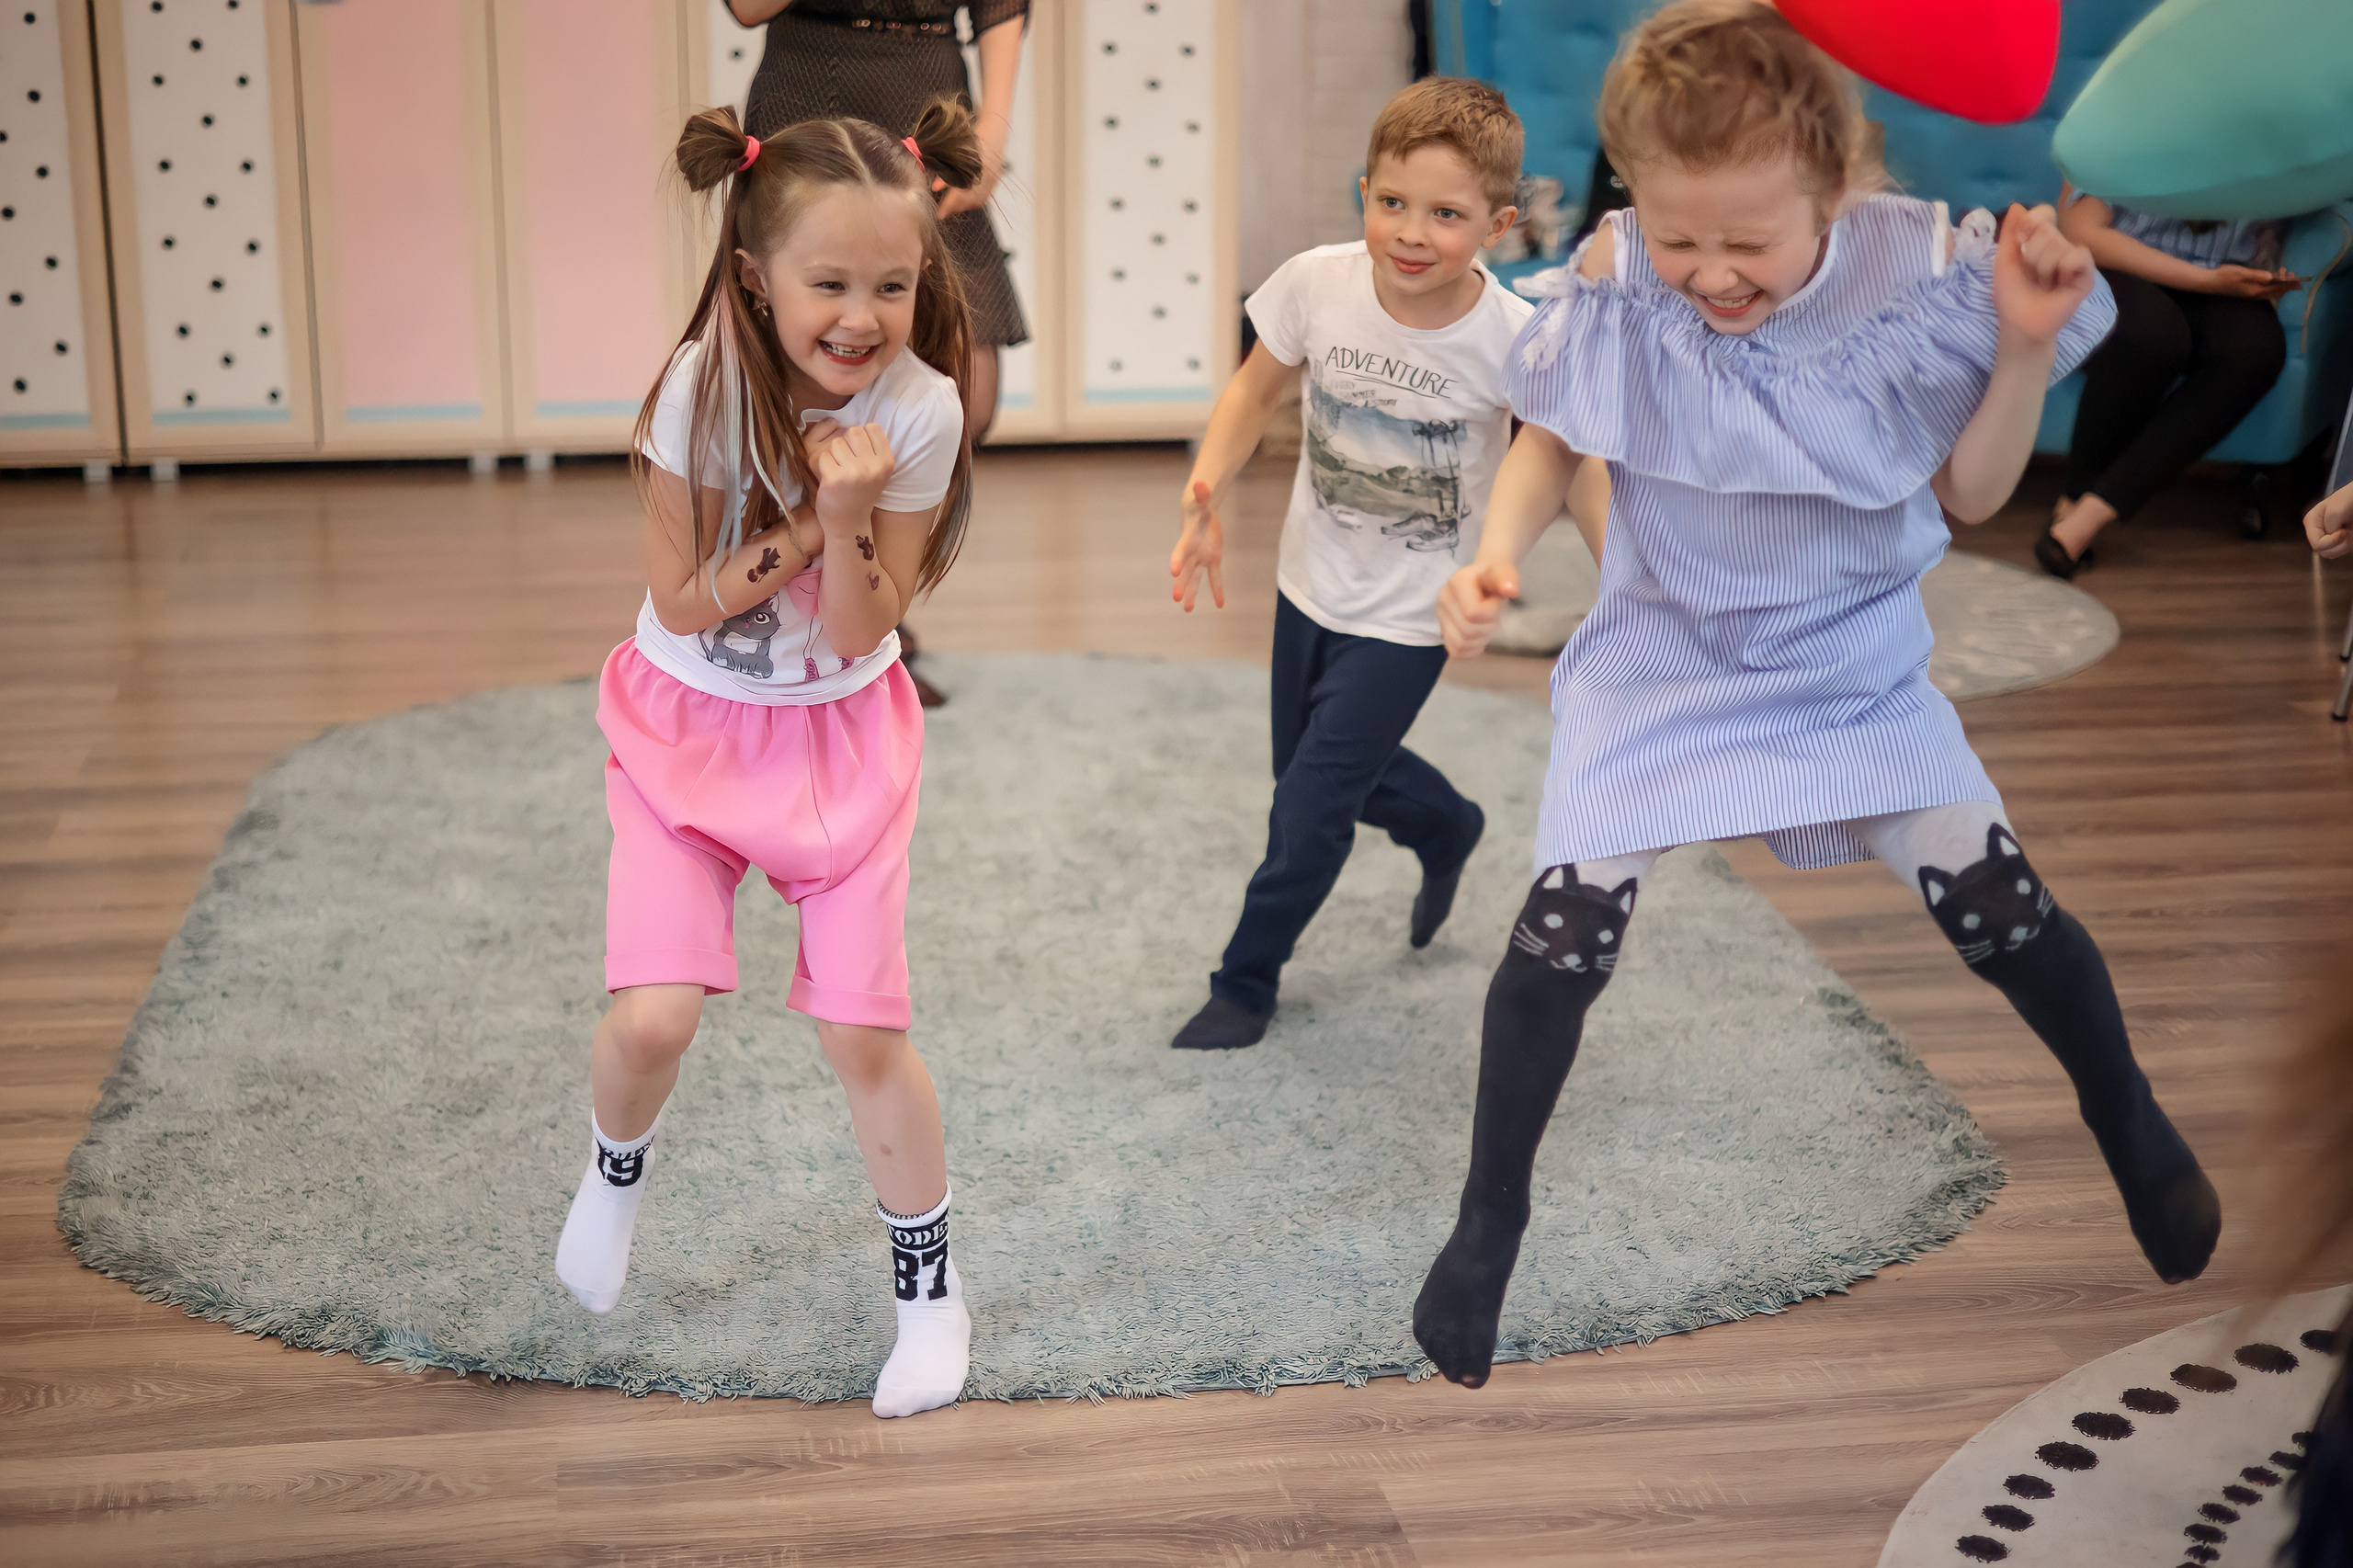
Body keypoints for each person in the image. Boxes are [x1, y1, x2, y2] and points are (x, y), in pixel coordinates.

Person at [1409, 0, 2220, 1390]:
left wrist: (2022, 347)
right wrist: (1495, 553)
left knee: (1994, 902)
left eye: (1748, 243)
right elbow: (1555, 435)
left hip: (1850, 660)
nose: (1709, 275)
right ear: (1635, 201)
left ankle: (2126, 1110)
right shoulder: (1615, 272)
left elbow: (1968, 494)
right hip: (1663, 660)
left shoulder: (1925, 272)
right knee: (1562, 926)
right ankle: (1491, 1219)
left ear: (1833, 188)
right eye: (1680, 238)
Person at [552, 99, 983, 1420]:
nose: (861, 316)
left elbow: (867, 628)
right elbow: (685, 602)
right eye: (830, 283)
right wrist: (809, 519)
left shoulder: (923, 410)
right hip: (683, 725)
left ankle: (930, 1296)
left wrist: (853, 514)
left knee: (864, 1030)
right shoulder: (699, 387)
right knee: (651, 1016)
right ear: (756, 275)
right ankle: (615, 1171)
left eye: (893, 285)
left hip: (843, 739)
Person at [1165, 78, 1530, 1051]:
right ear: (1365, 191)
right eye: (1392, 203)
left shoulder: (1513, 340)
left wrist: (1576, 565)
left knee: (1309, 810)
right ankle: (1446, 822)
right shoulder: (1316, 282)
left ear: (1497, 222)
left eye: (1446, 215)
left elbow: (1561, 459)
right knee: (1315, 777)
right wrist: (1205, 495)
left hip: (1414, 611)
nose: (1411, 233)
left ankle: (1244, 981)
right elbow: (1252, 393)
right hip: (1308, 583)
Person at [727, 1, 1034, 705]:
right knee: (786, 380)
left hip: (926, 94)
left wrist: (991, 129)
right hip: (806, 94)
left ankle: (872, 604)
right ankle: (787, 617)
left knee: (968, 390)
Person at [2037, 191, 2299, 577]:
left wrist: (2268, 270)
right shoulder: (2112, 129)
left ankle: (2091, 512)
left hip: (2228, 277)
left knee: (2255, 351)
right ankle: (2073, 496)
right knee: (2152, 337)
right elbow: (2082, 232)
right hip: (2120, 265)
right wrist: (2208, 281)